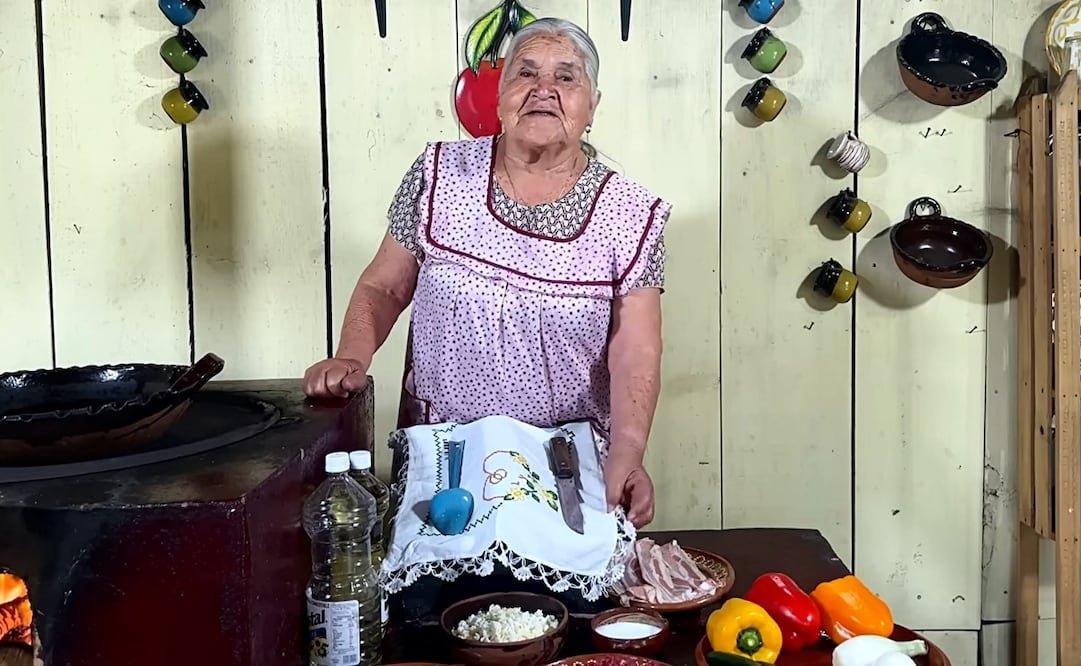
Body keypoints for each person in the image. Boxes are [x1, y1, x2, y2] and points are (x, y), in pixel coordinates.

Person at [303, 17, 669, 529]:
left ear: (593, 106)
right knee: (434, 598)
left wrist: (628, 452)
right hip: (444, 454)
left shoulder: (630, 215)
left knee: (562, 604)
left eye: (566, 78)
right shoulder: (439, 175)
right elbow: (383, 285)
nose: (544, 90)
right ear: (499, 96)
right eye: (526, 73)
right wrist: (352, 354)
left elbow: (637, 349)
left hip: (564, 464)